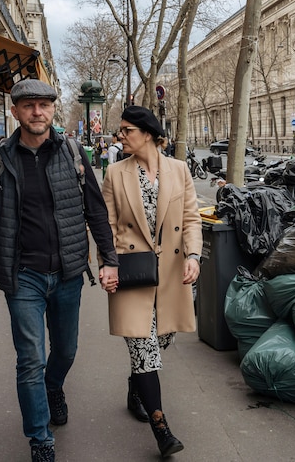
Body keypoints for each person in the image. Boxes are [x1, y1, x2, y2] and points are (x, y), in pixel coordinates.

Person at [0, 79, 119, 462]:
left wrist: (109, 259)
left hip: (68, 271)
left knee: (66, 350)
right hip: (23, 276)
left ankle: (55, 387)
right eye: (29, 105)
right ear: (15, 111)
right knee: (30, 358)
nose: (37, 112)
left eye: (44, 105)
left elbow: (96, 210)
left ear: (53, 109)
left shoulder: (72, 153)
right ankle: (40, 440)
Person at [101, 105, 202, 458]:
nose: (121, 136)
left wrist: (193, 255)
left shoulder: (179, 170)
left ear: (147, 133)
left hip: (171, 274)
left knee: (161, 341)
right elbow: (107, 225)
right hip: (132, 273)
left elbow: (191, 218)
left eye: (127, 130)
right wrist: (107, 264)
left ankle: (136, 387)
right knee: (144, 348)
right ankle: (162, 429)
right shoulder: (115, 173)